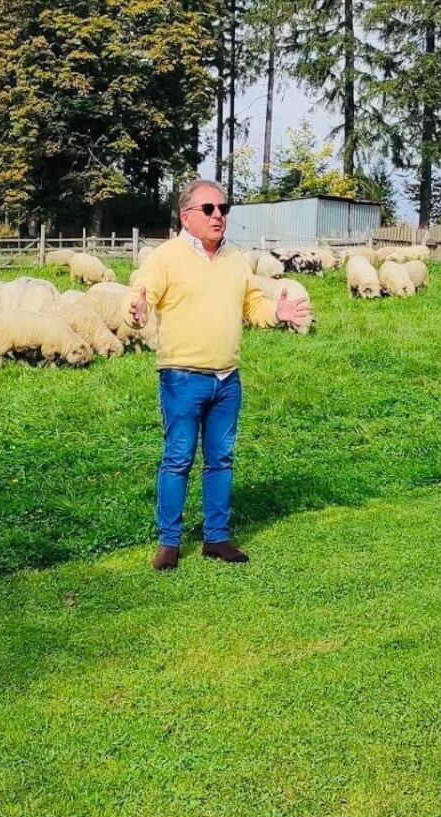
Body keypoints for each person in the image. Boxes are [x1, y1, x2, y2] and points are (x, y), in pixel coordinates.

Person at [128, 180, 313, 571]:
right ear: (186, 216)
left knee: (221, 459)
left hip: (227, 379)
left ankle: (217, 538)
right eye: (209, 209)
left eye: (223, 209)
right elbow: (142, 289)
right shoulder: (166, 257)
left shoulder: (234, 259)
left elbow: (253, 304)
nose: (218, 216)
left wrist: (275, 314)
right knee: (178, 458)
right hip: (182, 377)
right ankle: (169, 543)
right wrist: (138, 306)